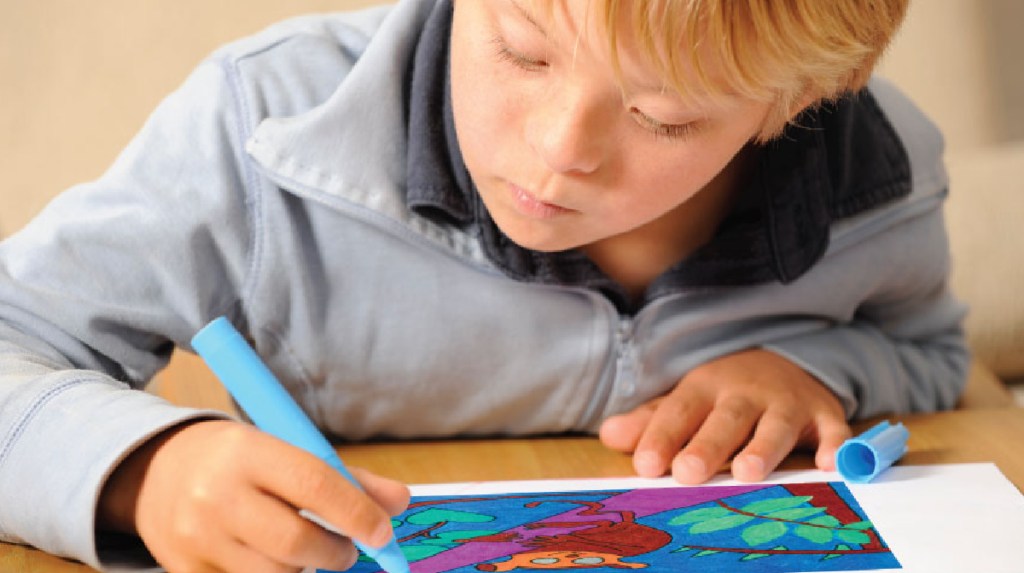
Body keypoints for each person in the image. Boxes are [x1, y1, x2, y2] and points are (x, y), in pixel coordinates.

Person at [0, 0, 968, 571]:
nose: (559, 152)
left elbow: (930, 359)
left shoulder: (877, 177)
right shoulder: (258, 131)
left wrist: (814, 371)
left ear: (799, 102)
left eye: (663, 117)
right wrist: (142, 472)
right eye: (521, 49)